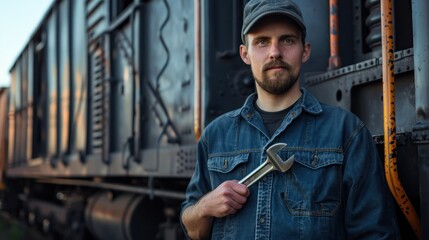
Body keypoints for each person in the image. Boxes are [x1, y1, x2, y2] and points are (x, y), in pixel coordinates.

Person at [181, 0, 400, 239]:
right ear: (245, 54)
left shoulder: (346, 132)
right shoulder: (215, 136)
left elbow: (375, 233)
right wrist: (204, 207)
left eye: (287, 40)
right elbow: (192, 229)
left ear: (305, 50)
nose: (275, 52)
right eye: (262, 41)